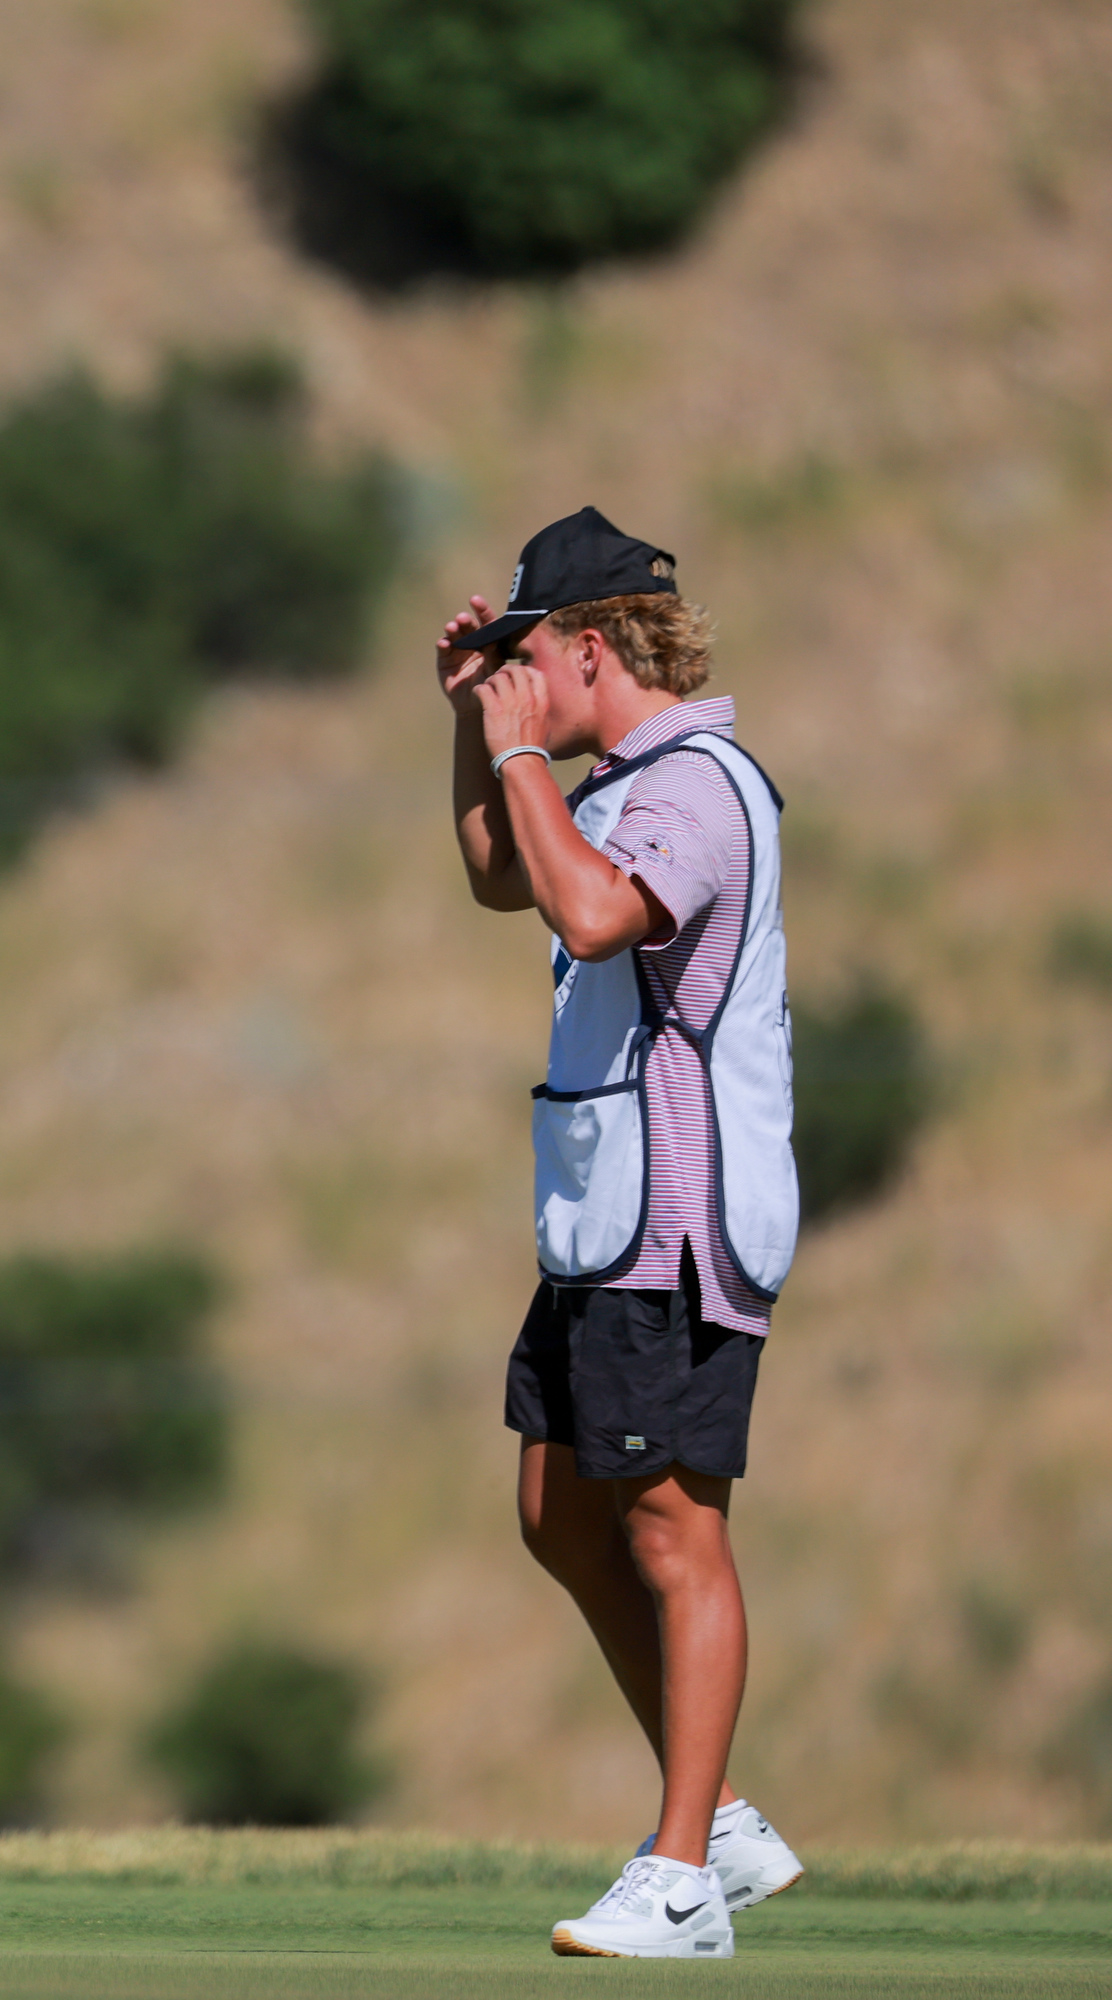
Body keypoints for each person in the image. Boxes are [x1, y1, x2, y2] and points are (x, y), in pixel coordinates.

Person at [439, 508, 806, 1960]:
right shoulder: (606, 778)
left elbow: (591, 917)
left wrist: (523, 749)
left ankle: (680, 1876)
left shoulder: (698, 785)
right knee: (559, 1512)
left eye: (530, 657)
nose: (519, 677)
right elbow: (496, 873)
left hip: (676, 1217)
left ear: (594, 646)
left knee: (673, 1532)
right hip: (602, 1215)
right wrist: (481, 729)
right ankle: (715, 1815)